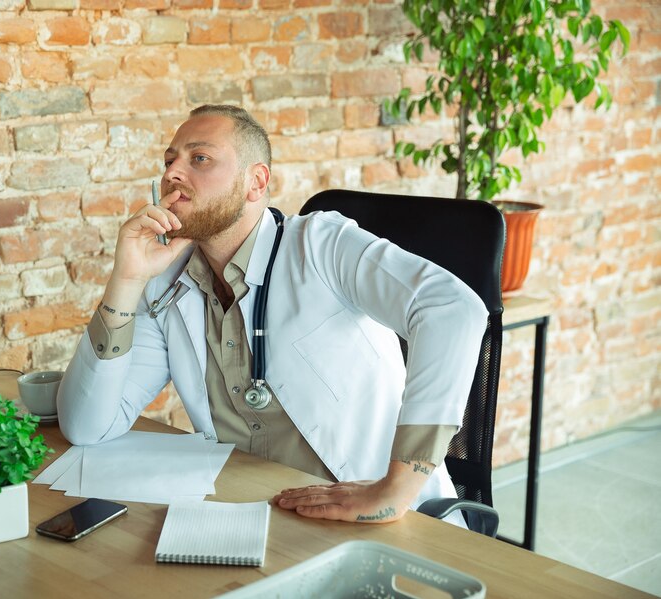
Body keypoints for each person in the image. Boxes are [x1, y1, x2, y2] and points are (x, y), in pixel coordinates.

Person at [57, 105, 487, 525]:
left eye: (199, 158)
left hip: (366, 518)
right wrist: (126, 280)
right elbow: (87, 427)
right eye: (169, 160)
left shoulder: (321, 244)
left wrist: (394, 490)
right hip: (251, 517)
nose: (172, 173)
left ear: (255, 182)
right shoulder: (168, 282)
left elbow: (454, 310)